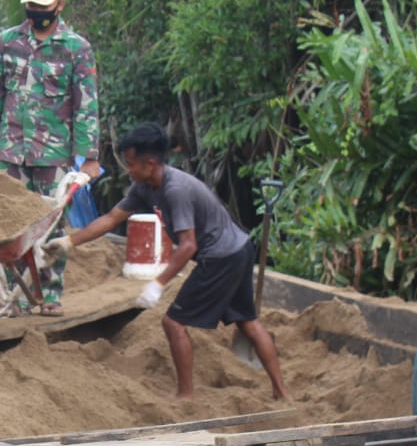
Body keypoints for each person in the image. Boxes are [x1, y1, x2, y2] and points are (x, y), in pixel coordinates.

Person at [62, 122, 288, 401]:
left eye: (131, 164)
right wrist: (68, 242)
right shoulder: (144, 187)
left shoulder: (175, 189)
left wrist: (158, 283)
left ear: (150, 163)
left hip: (221, 256)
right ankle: (282, 393)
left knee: (173, 322)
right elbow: (110, 219)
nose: (127, 170)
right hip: (239, 248)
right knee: (248, 322)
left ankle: (185, 397)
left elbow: (188, 245)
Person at [0, 0, 101, 317]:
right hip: (13, 151)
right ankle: (16, 293)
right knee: (11, 223)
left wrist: (90, 157)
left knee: (51, 223)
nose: (36, 11)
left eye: (43, 6)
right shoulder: (8, 42)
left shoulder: (76, 49)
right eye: (31, 5)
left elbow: (86, 104)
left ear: (59, 6)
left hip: (53, 154)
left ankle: (49, 294)